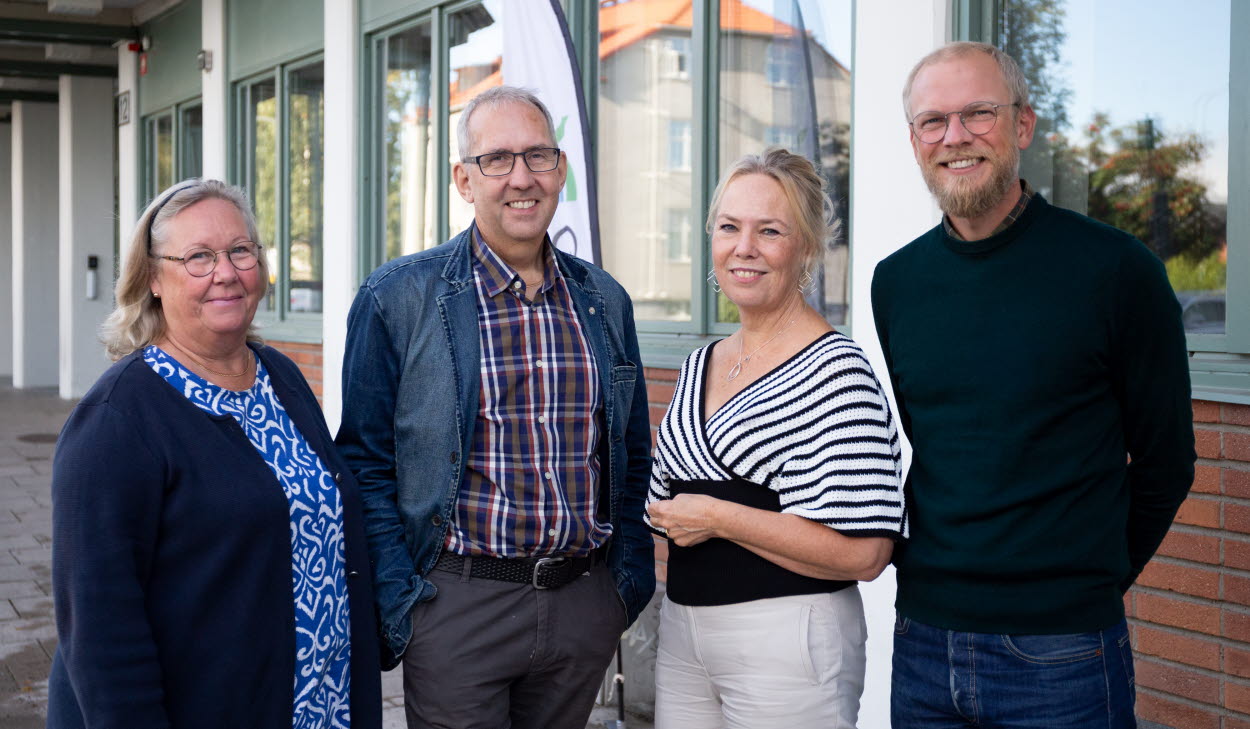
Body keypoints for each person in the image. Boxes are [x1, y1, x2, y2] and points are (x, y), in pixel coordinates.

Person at [873, 42, 1196, 728]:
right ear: (913, 140)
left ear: (1023, 125)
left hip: (1063, 656)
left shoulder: (1116, 271)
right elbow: (938, 445)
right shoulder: (896, 283)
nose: (955, 137)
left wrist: (1087, 586)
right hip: (924, 643)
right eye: (933, 121)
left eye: (978, 114)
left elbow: (1167, 463)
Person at [335, 85, 654, 729]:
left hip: (580, 604)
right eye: (497, 160)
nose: (521, 178)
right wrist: (407, 605)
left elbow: (630, 455)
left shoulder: (604, 301)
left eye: (538, 156)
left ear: (560, 170)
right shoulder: (397, 298)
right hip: (457, 605)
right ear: (463, 179)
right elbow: (363, 463)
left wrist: (620, 590)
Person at [46, 179, 382, 728]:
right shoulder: (118, 421)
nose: (225, 273)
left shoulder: (281, 378)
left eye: (240, 251)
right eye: (198, 257)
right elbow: (99, 629)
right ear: (153, 278)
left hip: (321, 706)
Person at [646, 148, 905, 729]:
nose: (745, 247)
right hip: (684, 632)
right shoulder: (699, 364)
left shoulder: (835, 371)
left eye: (770, 231)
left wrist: (719, 516)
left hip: (789, 638)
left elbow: (866, 553)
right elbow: (664, 502)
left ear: (807, 247)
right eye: (730, 227)